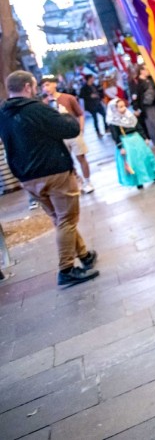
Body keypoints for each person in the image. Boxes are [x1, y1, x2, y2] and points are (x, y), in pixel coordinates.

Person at [0, 71, 99, 287]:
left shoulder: (3, 113)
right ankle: (66, 269)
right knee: (67, 220)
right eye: (35, 85)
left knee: (59, 218)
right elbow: (70, 129)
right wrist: (63, 114)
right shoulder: (36, 108)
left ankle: (84, 255)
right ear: (27, 87)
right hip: (53, 172)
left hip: (27, 177)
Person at [41, 76, 95, 193]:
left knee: (81, 157)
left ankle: (88, 181)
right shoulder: (44, 104)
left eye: (48, 84)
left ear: (54, 84)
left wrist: (81, 128)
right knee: (66, 161)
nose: (46, 88)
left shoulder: (68, 98)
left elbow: (80, 113)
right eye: (43, 86)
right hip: (58, 137)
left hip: (73, 132)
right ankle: (77, 181)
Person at [106, 99, 155, 190]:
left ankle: (153, 175)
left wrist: (144, 138)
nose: (124, 108)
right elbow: (115, 136)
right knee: (133, 162)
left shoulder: (129, 115)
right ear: (114, 109)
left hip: (137, 139)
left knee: (145, 157)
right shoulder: (114, 121)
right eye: (120, 107)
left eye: (124, 106)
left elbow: (138, 127)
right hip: (126, 143)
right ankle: (138, 181)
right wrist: (120, 147)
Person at [78, 74, 107, 138]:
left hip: (98, 103)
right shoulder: (84, 88)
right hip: (91, 106)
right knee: (95, 119)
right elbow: (81, 96)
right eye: (92, 78)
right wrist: (90, 96)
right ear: (89, 79)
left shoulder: (94, 85)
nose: (93, 79)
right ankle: (98, 132)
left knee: (104, 114)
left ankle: (106, 128)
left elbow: (99, 92)